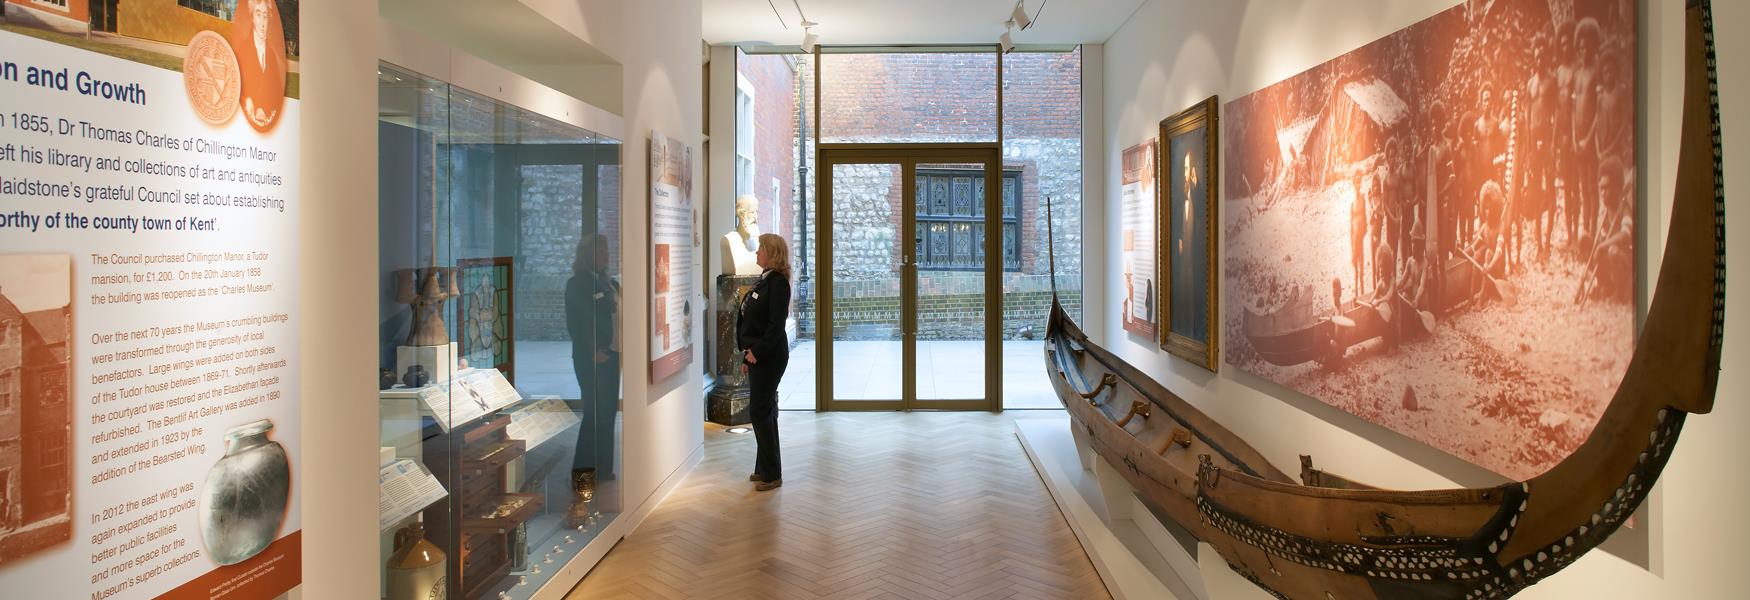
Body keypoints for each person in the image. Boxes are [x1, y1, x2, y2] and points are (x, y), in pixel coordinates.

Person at [565, 234, 620, 522]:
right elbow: (578, 322)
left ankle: (604, 467)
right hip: (593, 358)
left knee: (608, 412)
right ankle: (582, 476)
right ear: (588, 254)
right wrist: (592, 350)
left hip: (610, 356)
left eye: (606, 249)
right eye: (600, 250)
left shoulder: (606, 280)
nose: (606, 254)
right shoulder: (577, 284)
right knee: (594, 413)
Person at [739, 233, 792, 491]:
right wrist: (746, 354)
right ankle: (764, 469)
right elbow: (752, 322)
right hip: (759, 355)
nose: (756, 253)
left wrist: (756, 352)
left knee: (760, 412)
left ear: (772, 254)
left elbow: (774, 327)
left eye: (761, 249)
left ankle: (772, 474)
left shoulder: (779, 283)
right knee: (765, 410)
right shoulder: (765, 280)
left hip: (770, 357)